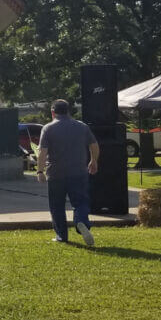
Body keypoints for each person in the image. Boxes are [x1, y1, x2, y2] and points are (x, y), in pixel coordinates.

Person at [36, 99, 98, 246]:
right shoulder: (82, 127)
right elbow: (94, 145)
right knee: (80, 202)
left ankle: (61, 235)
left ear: (53, 112)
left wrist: (40, 170)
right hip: (78, 171)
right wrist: (93, 160)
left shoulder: (48, 128)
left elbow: (42, 152)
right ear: (68, 111)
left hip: (56, 173)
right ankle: (81, 222)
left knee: (57, 205)